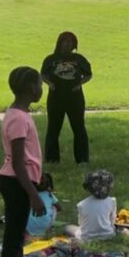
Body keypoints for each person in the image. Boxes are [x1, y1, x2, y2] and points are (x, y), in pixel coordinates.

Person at [0, 66, 48, 257]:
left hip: (19, 180)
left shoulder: (19, 114)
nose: (42, 89)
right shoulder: (18, 118)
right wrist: (34, 195)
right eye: (39, 84)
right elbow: (18, 162)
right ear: (31, 88)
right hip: (17, 182)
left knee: (17, 239)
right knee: (13, 241)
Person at [41, 32, 93, 164]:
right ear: (59, 43)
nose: (67, 45)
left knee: (79, 127)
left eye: (70, 42)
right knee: (53, 128)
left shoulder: (79, 59)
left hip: (75, 97)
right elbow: (43, 74)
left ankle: (82, 159)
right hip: (55, 97)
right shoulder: (50, 59)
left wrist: (80, 84)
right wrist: (50, 84)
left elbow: (88, 74)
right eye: (65, 42)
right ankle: (52, 158)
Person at [66, 170, 118, 242]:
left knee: (68, 228)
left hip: (86, 237)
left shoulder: (81, 204)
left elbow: (81, 223)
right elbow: (112, 220)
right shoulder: (112, 201)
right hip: (108, 235)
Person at [26, 173, 60, 237]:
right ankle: (50, 227)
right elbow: (59, 208)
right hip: (45, 227)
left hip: (28, 227)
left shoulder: (28, 195)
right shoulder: (50, 195)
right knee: (54, 207)